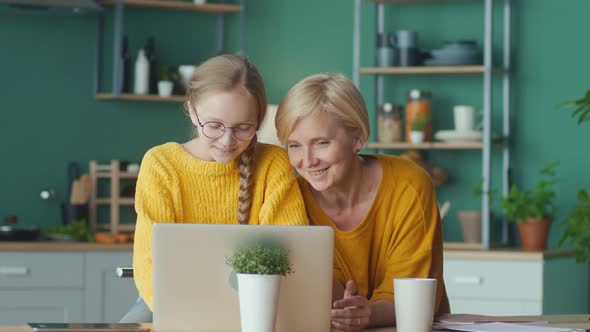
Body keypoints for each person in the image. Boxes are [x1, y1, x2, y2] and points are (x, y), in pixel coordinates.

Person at [120, 54, 309, 322]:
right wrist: (192, 318)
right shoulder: (161, 165)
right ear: (191, 111)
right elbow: (149, 263)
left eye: (244, 128)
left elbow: (291, 251)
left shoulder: (272, 164)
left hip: (254, 304)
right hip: (170, 303)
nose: (227, 141)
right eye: (214, 126)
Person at [275, 73, 450, 331]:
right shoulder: (291, 200)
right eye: (295, 146)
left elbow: (412, 298)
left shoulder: (409, 185)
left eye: (321, 143)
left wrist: (368, 313)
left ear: (358, 137)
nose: (307, 161)